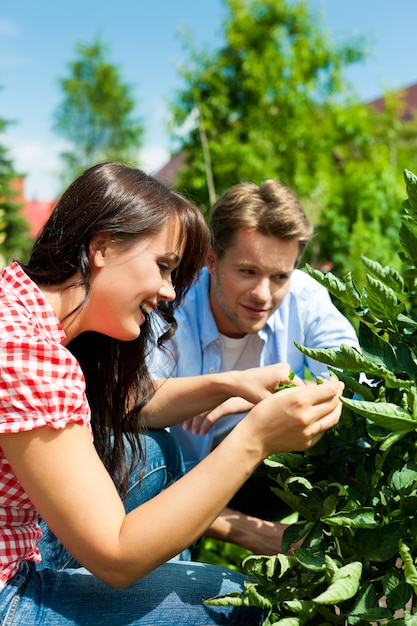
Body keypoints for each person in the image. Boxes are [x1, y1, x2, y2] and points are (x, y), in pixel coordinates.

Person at [0, 162, 344, 625]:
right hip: (9, 589)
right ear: (102, 247)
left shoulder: (21, 306)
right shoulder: (31, 356)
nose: (167, 290)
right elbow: (117, 555)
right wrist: (256, 438)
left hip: (21, 531)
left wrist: (229, 384)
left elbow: (125, 403)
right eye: (162, 267)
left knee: (156, 455)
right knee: (245, 604)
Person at [150, 179, 359, 552]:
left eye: (279, 276)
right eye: (247, 272)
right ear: (211, 261)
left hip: (255, 472)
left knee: (349, 433)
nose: (263, 295)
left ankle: (342, 549)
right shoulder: (169, 305)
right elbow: (136, 403)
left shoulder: (306, 297)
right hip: (171, 479)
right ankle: (227, 539)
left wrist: (265, 397)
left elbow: (354, 377)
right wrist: (231, 385)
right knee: (144, 449)